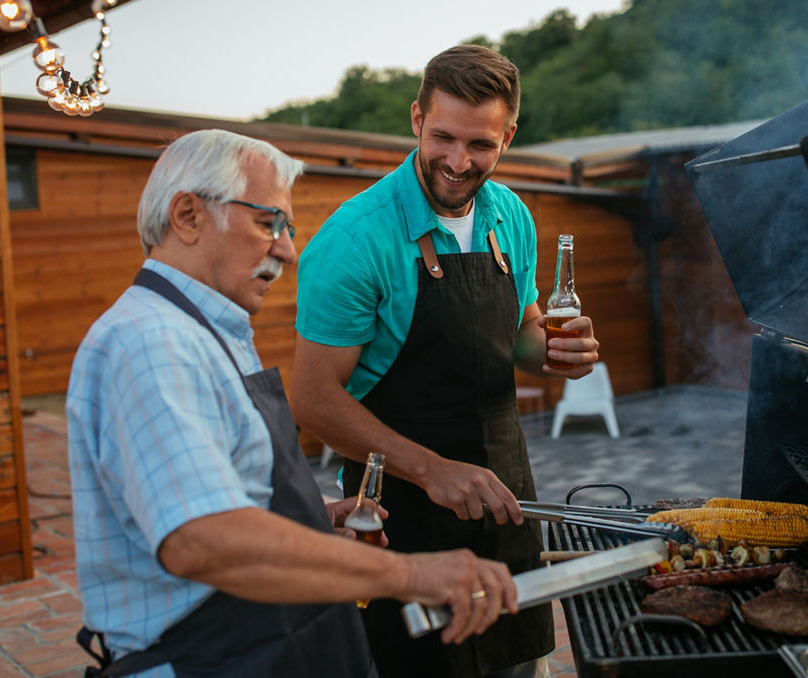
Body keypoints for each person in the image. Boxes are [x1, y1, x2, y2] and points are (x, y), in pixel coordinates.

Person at [67, 129, 519, 678]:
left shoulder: (203, 332)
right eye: (267, 223)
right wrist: (409, 575)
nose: (286, 249)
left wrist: (304, 520)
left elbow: (217, 498)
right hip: (204, 658)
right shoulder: (153, 341)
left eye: (287, 227)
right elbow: (202, 542)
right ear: (187, 216)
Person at [290, 45, 602, 678]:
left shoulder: (510, 215)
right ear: (415, 120)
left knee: (520, 665)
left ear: (509, 136)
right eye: (443, 138)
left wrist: (554, 352)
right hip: (401, 518)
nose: (459, 163)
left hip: (507, 499)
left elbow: (517, 334)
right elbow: (316, 401)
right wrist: (432, 472)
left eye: (481, 145)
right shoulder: (354, 241)